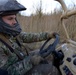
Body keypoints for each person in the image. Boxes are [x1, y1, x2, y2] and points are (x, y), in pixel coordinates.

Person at [0, 0, 59, 75]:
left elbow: (29, 37)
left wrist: (48, 35)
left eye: (15, 18)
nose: (15, 22)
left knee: (49, 54)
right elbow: (8, 72)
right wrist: (31, 61)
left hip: (22, 59)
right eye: (10, 18)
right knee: (52, 70)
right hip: (18, 70)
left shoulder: (10, 33)